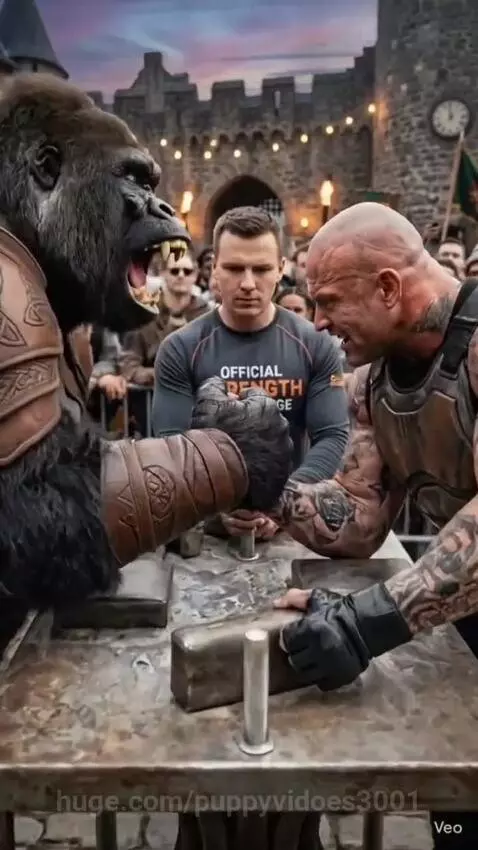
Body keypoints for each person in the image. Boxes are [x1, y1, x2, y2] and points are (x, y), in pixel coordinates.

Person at [192, 201, 478, 848]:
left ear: (387, 287)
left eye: (327, 302)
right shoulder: (372, 384)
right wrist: (265, 480)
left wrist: (362, 621)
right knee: (461, 823)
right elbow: (358, 518)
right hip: (468, 639)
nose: (316, 320)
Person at [0, 72, 292, 624]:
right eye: (131, 182)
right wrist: (230, 454)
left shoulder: (40, 291)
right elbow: (44, 533)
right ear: (46, 170)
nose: (155, 208)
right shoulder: (7, 286)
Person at [153, 206, 349, 540]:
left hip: (292, 523)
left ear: (281, 270)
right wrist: (217, 511)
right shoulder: (179, 349)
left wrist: (284, 502)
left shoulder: (316, 345)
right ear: (214, 269)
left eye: (260, 269)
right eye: (233, 268)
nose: (247, 283)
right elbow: (169, 445)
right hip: (205, 527)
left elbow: (332, 437)